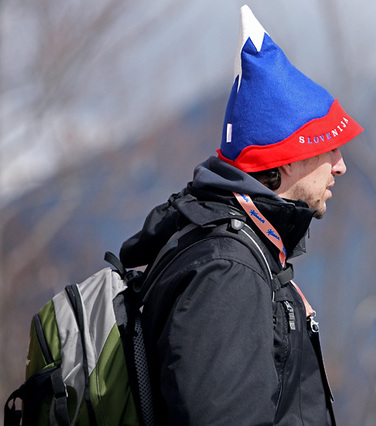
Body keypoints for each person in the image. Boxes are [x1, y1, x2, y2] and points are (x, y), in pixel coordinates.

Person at [118, 5, 362, 425]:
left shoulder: (233, 248)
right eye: (328, 149)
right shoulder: (227, 269)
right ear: (286, 160)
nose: (340, 165)